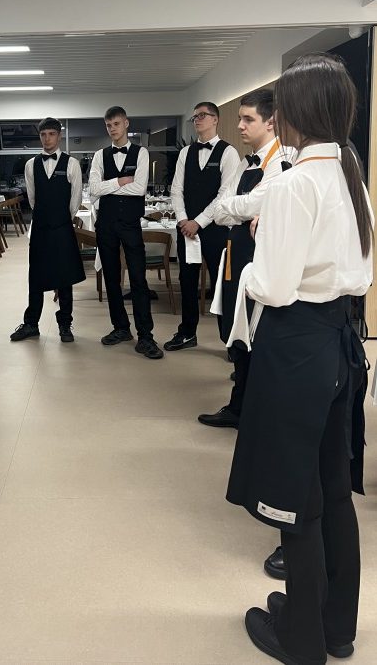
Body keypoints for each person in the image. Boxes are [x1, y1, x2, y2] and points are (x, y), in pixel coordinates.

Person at [225, 54, 372, 665]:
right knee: (334, 490)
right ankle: (336, 627)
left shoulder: (292, 183)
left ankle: (302, 640)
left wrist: (255, 260)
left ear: (296, 113)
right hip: (341, 342)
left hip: (296, 346)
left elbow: (275, 286)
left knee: (297, 497)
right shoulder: (351, 174)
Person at [198, 88, 293, 428]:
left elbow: (255, 203)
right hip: (235, 252)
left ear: (271, 122)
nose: (239, 125)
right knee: (236, 327)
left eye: (247, 119)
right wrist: (240, 208)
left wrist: (237, 207)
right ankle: (239, 404)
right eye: (240, 118)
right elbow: (222, 209)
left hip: (258, 255)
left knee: (256, 329)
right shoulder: (244, 162)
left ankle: (250, 409)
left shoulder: (282, 162)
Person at [88, 106, 163, 359]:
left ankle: (145, 336)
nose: (112, 129)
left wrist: (107, 187)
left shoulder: (141, 153)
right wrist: (120, 181)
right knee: (111, 278)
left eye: (116, 124)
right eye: (109, 125)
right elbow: (93, 189)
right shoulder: (100, 155)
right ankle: (121, 327)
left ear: (126, 124)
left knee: (139, 279)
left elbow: (140, 188)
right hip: (106, 224)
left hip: (131, 224)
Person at [164, 102, 239, 352]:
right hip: (186, 228)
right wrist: (184, 220)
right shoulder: (186, 153)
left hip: (216, 229)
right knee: (186, 281)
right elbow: (176, 189)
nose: (197, 119)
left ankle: (229, 341)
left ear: (215, 119)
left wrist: (199, 222)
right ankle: (187, 333)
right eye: (195, 116)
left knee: (221, 284)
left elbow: (225, 195)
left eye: (202, 115)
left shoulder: (228, 153)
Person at [10, 117, 85, 343]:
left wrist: (60, 219)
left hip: (62, 227)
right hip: (41, 227)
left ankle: (65, 324)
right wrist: (45, 217)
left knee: (65, 276)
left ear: (59, 136)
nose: (47, 138)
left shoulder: (72, 164)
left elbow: (75, 200)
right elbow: (32, 198)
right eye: (43, 134)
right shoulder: (30, 165)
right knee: (36, 275)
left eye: (51, 134)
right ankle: (31, 324)